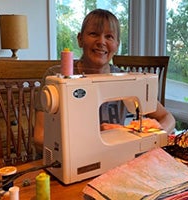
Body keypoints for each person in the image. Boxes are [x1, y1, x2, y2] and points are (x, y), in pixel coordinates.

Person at [34, 9, 176, 154]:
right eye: (93, 34)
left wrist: (150, 138)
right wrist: (93, 138)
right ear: (80, 39)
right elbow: (40, 137)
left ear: (117, 44)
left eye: (109, 36)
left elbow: (167, 117)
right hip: (74, 157)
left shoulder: (126, 79)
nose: (101, 42)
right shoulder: (56, 77)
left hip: (116, 157)